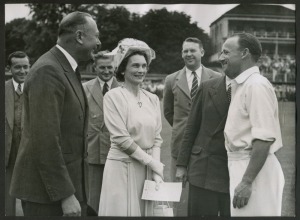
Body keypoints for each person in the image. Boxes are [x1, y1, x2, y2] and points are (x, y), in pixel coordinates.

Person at [10, 11, 101, 216]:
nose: (99, 42)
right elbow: (45, 140)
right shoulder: (48, 70)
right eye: (95, 35)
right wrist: (65, 195)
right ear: (79, 36)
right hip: (48, 197)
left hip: (66, 188)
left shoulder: (65, 67)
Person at [219, 33, 284, 216]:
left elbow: (264, 139)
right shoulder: (242, 84)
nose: (220, 57)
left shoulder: (256, 85)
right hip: (245, 167)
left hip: (253, 172)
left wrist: (247, 181)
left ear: (244, 53)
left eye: (225, 52)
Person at [98, 38, 164, 216]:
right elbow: (121, 139)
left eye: (144, 66)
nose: (141, 70)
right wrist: (152, 163)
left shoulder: (153, 99)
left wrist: (156, 170)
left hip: (147, 170)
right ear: (123, 68)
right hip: (122, 168)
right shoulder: (113, 97)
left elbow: (157, 138)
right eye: (135, 66)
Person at [163, 37, 221, 215]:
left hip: (208, 148)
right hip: (180, 146)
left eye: (192, 50)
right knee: (178, 193)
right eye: (185, 51)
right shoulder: (171, 80)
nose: (188, 54)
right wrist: (186, 131)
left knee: (205, 196)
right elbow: (168, 112)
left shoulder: (217, 78)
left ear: (202, 52)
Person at [176, 74, 230, 216]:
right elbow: (191, 127)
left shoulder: (252, 88)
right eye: (222, 52)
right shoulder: (207, 87)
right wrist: (182, 164)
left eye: (227, 52)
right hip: (203, 169)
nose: (222, 57)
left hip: (235, 170)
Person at [82, 51, 119, 213]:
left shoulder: (124, 88)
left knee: (116, 197)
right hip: (93, 151)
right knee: (93, 198)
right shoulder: (84, 88)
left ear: (115, 67)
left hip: (118, 151)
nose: (106, 71)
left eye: (109, 67)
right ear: (94, 68)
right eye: (102, 67)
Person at [5, 51, 30, 216]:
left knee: (30, 196)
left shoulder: (37, 87)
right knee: (7, 200)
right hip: (7, 153)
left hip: (30, 153)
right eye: (17, 67)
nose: (22, 71)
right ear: (9, 69)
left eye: (26, 67)